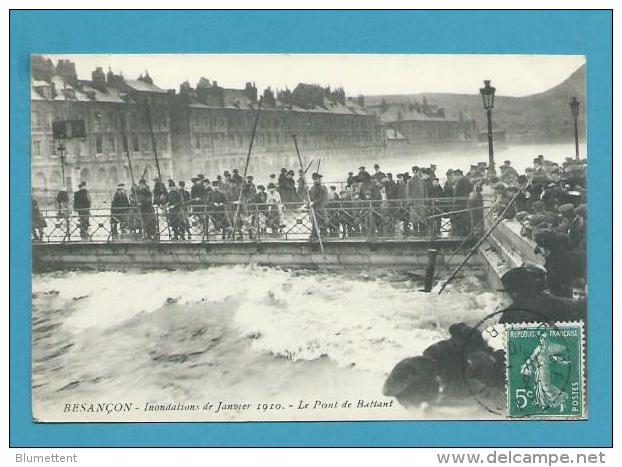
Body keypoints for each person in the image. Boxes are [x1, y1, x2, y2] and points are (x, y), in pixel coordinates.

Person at [406, 166, 428, 235]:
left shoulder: (422, 181)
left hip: (421, 203)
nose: (415, 173)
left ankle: (423, 233)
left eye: (417, 172)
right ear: (412, 172)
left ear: (418, 172)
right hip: (414, 204)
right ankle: (415, 233)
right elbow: (408, 192)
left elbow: (425, 191)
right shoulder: (410, 181)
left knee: (422, 218)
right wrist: (409, 201)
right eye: (414, 172)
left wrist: (426, 201)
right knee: (414, 219)